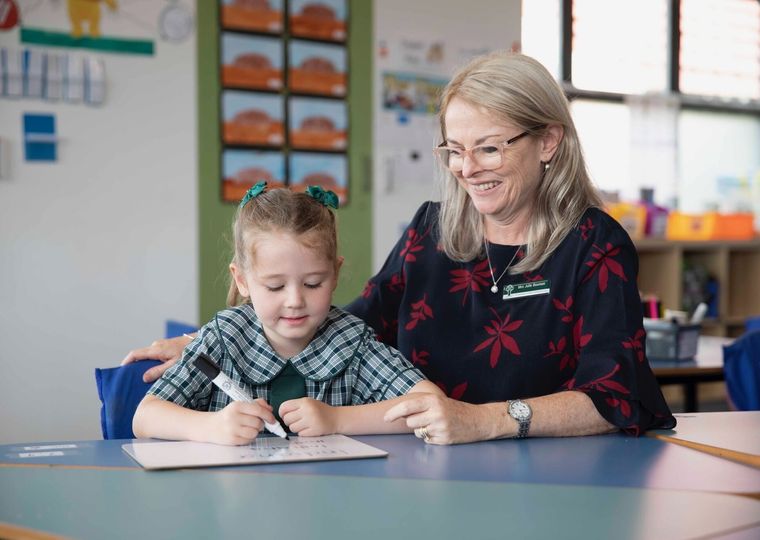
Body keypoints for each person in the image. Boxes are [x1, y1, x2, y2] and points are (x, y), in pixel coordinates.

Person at [126, 51, 675, 445]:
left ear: (548, 141)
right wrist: (221, 337)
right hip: (420, 464)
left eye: (487, 148)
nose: (466, 168)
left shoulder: (594, 244)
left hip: (551, 477)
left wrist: (483, 421)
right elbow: (352, 322)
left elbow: (616, 395)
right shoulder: (430, 231)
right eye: (454, 149)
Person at [132, 182, 441, 445]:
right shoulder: (222, 339)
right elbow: (145, 417)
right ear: (242, 280)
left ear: (335, 274)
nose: (295, 300)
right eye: (275, 286)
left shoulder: (353, 342)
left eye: (312, 283)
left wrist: (337, 419)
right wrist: (211, 427)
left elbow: (430, 405)